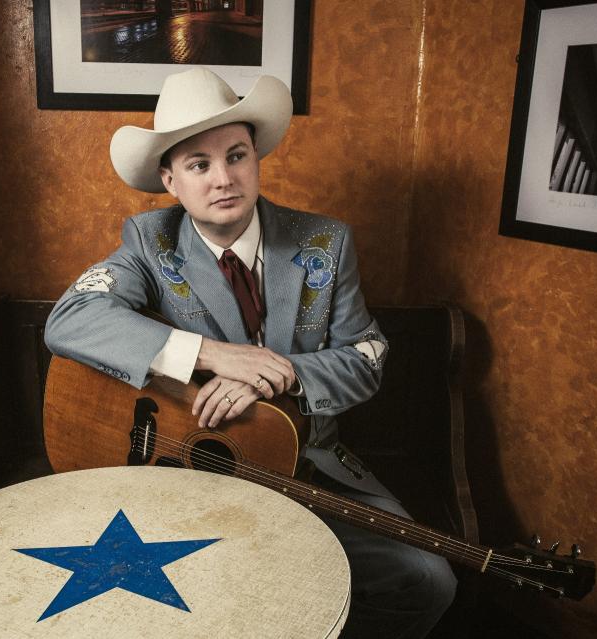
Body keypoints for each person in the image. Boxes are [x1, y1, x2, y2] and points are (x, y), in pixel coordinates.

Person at [44, 67, 456, 637]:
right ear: (170, 180)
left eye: (236, 156)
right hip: (192, 473)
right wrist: (214, 355)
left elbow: (368, 357)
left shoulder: (326, 242)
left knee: (429, 579)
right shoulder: (149, 240)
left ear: (256, 156)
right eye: (199, 165)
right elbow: (70, 318)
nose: (224, 179)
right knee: (202, 599)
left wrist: (279, 373)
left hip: (311, 469)